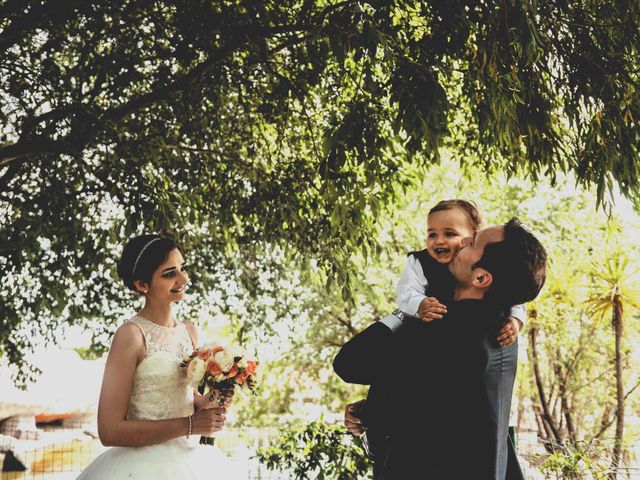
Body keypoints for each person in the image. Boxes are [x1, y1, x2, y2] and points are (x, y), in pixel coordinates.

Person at [334, 218, 547, 479]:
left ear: (481, 277)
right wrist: (373, 408)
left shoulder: (437, 331)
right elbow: (441, 400)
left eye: (473, 242)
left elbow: (349, 363)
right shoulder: (502, 330)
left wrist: (404, 312)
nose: (462, 242)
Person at [77, 234, 241, 479]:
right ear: (142, 284)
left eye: (182, 268)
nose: (183, 279)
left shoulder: (189, 331)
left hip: (191, 461)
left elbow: (188, 399)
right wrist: (191, 425)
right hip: (140, 467)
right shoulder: (130, 336)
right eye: (169, 273)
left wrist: (215, 399)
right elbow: (109, 431)